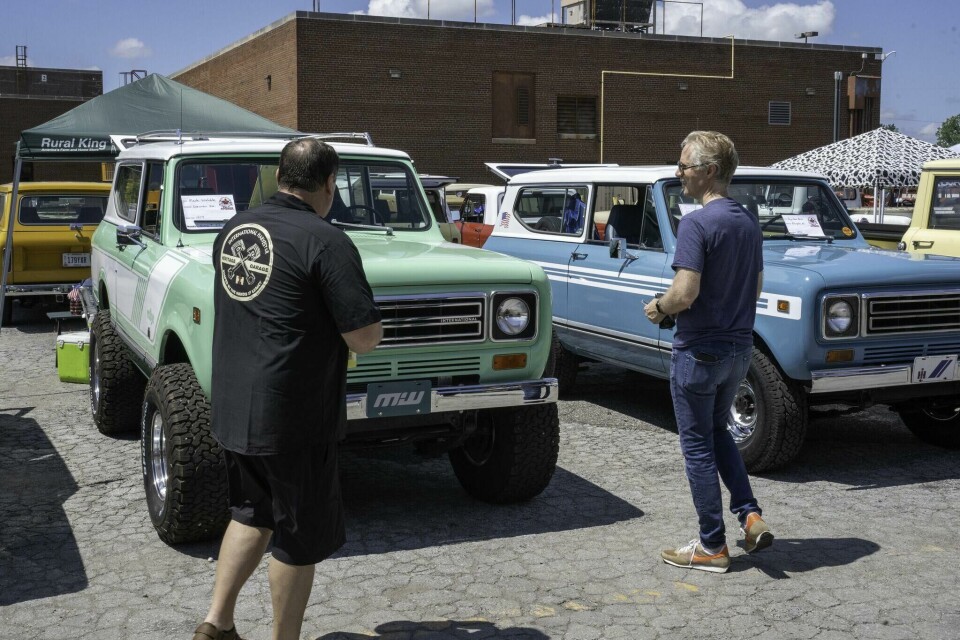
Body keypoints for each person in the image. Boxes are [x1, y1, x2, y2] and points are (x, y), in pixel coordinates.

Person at [194, 138, 383, 640]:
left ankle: (216, 624)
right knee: (298, 538)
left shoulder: (236, 229)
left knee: (250, 513)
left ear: (279, 176)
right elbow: (363, 337)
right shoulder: (326, 240)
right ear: (330, 184)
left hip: (235, 405)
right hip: (294, 416)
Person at [643, 131, 773, 574]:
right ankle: (750, 515)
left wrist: (660, 308)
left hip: (699, 351)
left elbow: (684, 292)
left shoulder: (696, 224)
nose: (679, 173)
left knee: (697, 445)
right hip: (740, 348)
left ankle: (712, 545)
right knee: (718, 432)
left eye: (684, 166)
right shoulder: (748, 222)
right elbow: (755, 287)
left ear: (710, 171)